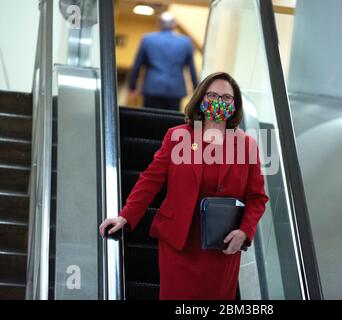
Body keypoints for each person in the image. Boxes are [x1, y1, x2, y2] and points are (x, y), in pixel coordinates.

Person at [99, 72, 269, 300]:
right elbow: (151, 179)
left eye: (226, 97)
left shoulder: (247, 145)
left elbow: (257, 197)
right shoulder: (178, 136)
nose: (219, 101)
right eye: (212, 95)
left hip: (222, 244)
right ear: (201, 98)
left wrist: (244, 232)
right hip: (179, 243)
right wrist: (125, 216)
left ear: (234, 104)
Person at [128, 11, 198, 112]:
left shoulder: (147, 40)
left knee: (149, 121)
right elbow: (191, 68)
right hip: (175, 90)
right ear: (174, 24)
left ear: (159, 24)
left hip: (152, 88)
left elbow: (137, 65)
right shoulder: (186, 41)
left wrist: (132, 87)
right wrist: (197, 90)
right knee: (170, 122)